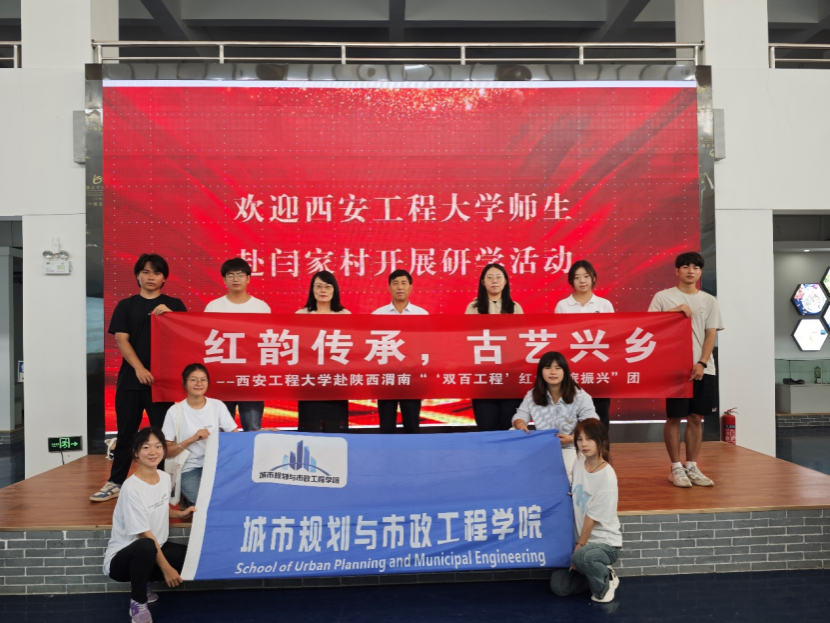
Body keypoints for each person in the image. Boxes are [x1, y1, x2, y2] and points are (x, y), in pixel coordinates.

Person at [91, 254, 187, 503]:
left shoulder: (174, 304)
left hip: (162, 384)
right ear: (137, 276)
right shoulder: (126, 305)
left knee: (162, 438)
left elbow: (185, 337)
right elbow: (121, 340)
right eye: (145, 272)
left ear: (164, 278)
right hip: (131, 381)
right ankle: (116, 482)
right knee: (126, 434)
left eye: (156, 272)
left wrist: (173, 317)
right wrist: (140, 369)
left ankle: (162, 484)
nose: (150, 277)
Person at [103, 427, 195, 623]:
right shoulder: (131, 488)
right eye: (146, 447)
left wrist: (180, 513)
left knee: (192, 557)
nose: (153, 452)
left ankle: (145, 582)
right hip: (123, 559)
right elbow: (144, 534)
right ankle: (138, 601)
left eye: (158, 446)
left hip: (154, 549)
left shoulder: (164, 477)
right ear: (136, 453)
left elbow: (158, 507)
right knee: (146, 546)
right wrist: (167, 569)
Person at [648, 251, 723, 488]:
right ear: (677, 270)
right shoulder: (663, 297)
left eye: (696, 267)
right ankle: (675, 468)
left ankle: (692, 466)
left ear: (700, 272)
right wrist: (673, 312)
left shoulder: (709, 301)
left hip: (702, 368)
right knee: (673, 417)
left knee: (696, 417)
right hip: (674, 368)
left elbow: (711, 334)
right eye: (686, 266)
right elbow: (649, 326)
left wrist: (702, 362)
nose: (691, 271)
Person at [549, 419, 622, 603]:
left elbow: (591, 517)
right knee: (559, 585)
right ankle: (592, 572)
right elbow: (576, 491)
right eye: (580, 439)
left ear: (602, 441)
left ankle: (605, 582)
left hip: (605, 544)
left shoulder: (606, 477)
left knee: (583, 557)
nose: (583, 444)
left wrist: (580, 546)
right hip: (582, 543)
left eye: (589, 439)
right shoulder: (579, 462)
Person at [205, 257, 271, 432]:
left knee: (253, 430)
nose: (235, 279)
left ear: (248, 278)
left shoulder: (261, 307)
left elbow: (264, 342)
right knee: (220, 432)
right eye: (231, 275)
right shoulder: (213, 307)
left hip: (251, 380)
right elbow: (206, 340)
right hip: (222, 380)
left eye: (240, 275)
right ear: (224, 279)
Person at [512, 351, 599, 481]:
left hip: (570, 446)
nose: (553, 372)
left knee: (566, 472)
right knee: (512, 431)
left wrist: (572, 438)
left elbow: (592, 423)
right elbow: (520, 415)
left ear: (565, 371)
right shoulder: (533, 394)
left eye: (558, 368)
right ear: (541, 371)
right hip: (542, 445)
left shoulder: (580, 396)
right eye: (548, 368)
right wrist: (520, 424)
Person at [162, 363, 239, 507]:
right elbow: (166, 452)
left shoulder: (217, 406)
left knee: (232, 498)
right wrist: (191, 440)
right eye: (193, 379)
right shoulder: (175, 411)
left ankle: (190, 501)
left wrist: (259, 432)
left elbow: (236, 437)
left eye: (203, 379)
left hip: (217, 466)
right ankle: (187, 498)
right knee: (207, 503)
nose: (199, 383)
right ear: (184, 383)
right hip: (189, 468)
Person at [554, 260, 615, 438]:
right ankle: (574, 453)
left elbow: (613, 336)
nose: (582, 281)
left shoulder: (604, 305)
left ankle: (602, 453)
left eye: (586, 276)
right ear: (571, 281)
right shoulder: (563, 306)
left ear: (593, 278)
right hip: (571, 370)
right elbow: (558, 336)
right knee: (571, 415)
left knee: (600, 416)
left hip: (599, 369)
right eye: (577, 277)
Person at [465, 263, 524, 431]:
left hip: (510, 377)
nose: (494, 281)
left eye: (499, 277)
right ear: (483, 282)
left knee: (509, 427)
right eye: (489, 277)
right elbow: (465, 341)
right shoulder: (473, 308)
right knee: (486, 427)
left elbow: (521, 341)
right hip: (483, 377)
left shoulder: (515, 308)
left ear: (505, 282)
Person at [371, 269, 428, 434]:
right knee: (386, 425)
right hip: (385, 376)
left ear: (410, 287)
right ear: (389, 287)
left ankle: (412, 450)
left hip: (412, 376)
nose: (400, 287)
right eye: (395, 283)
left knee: (412, 424)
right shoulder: (377, 315)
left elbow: (427, 347)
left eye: (404, 283)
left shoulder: (422, 315)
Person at [295, 270, 351, 433]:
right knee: (310, 428)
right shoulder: (301, 315)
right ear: (312, 289)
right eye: (318, 286)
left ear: (334, 289)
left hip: (336, 381)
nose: (323, 290)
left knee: (334, 430)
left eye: (327, 286)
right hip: (309, 381)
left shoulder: (345, 316)